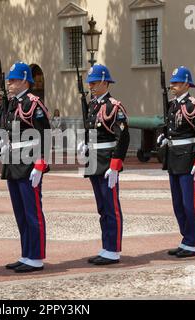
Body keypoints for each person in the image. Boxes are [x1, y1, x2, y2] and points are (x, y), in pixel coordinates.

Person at [0, 62, 50, 273]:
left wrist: (40, 164)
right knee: (20, 211)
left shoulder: (34, 103)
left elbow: (45, 134)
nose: (9, 83)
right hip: (13, 159)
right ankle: (26, 253)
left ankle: (36, 256)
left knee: (32, 211)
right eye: (9, 80)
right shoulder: (11, 103)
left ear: (25, 80)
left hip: (29, 161)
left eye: (13, 79)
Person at [77, 65, 130, 266]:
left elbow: (123, 137)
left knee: (111, 206)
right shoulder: (92, 105)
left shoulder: (113, 106)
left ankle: (113, 249)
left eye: (94, 82)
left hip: (108, 160)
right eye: (89, 82)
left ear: (105, 82)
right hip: (94, 160)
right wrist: (85, 144)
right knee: (102, 207)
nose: (90, 86)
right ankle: (106, 246)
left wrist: (115, 165)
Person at [158, 66, 195, 258]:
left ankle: (193, 243)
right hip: (173, 158)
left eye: (177, 83)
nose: (173, 86)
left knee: (189, 203)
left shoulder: (194, 105)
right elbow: (170, 128)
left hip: (188, 158)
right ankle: (186, 239)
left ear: (187, 84)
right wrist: (164, 137)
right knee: (178, 203)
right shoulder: (173, 105)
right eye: (172, 83)